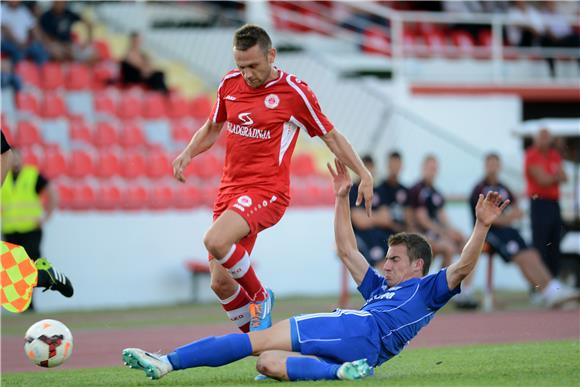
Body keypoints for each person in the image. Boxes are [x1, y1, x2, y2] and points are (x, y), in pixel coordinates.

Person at [121, 159, 510, 382]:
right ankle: (341, 374)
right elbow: (346, 248)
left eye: (394, 260)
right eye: (387, 258)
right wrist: (341, 198)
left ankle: (166, 362)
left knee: (258, 340)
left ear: (418, 266)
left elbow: (461, 268)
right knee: (268, 364)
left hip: (357, 328)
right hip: (363, 349)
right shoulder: (381, 291)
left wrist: (481, 225)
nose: (385, 265)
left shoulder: (427, 290)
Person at [171, 24, 374, 332]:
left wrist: (364, 172)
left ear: (271, 55)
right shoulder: (229, 84)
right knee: (221, 283)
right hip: (230, 191)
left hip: (268, 191)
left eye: (253, 65)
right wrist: (187, 153)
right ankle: (265, 349)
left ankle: (260, 296)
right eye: (241, 66)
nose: (247, 73)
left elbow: (331, 136)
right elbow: (213, 127)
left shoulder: (294, 93)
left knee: (215, 239)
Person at [470, 153, 579, 307]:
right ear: (485, 166)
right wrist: (505, 218)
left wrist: (506, 218)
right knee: (522, 257)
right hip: (490, 233)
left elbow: (518, 211)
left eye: (495, 164)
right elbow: (486, 218)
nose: (493, 167)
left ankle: (552, 289)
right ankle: (546, 293)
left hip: (508, 231)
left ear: (499, 166)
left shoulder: (503, 187)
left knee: (532, 254)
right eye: (490, 164)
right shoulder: (479, 189)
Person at [0, 131, 74, 312]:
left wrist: (45, 218)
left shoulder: (32, 175)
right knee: (9, 274)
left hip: (31, 228)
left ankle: (40, 280)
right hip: (10, 228)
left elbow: (4, 153)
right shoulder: (9, 180)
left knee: (15, 271)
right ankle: (42, 278)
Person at [409, 154, 478, 309]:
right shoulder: (416, 190)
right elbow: (422, 220)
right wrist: (445, 233)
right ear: (423, 168)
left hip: (436, 234)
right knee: (447, 248)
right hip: (420, 236)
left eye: (434, 168)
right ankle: (440, 292)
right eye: (429, 167)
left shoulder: (436, 193)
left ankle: (465, 292)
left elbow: (443, 217)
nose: (432, 171)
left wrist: (454, 231)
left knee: (469, 245)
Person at [525, 128, 567, 278]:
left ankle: (553, 281)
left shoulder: (554, 155)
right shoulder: (531, 155)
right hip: (539, 203)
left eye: (546, 137)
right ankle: (540, 283)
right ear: (536, 139)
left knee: (554, 243)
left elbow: (564, 177)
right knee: (540, 244)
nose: (544, 140)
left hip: (554, 203)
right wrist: (555, 176)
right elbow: (542, 180)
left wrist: (551, 176)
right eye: (541, 137)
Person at [349, 155, 390, 268]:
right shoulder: (352, 190)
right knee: (381, 264)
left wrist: (368, 218)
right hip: (360, 237)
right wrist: (377, 218)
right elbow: (359, 221)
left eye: (370, 167)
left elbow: (386, 219)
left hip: (380, 234)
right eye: (364, 167)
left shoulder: (379, 190)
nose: (367, 170)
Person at [0, 0, 49, 65]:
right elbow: (5, 30)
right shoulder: (1, 9)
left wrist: (43, 44)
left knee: (40, 50)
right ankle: (19, 73)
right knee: (18, 52)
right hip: (6, 43)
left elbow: (34, 29)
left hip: (24, 43)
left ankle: (40, 73)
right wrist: (19, 43)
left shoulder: (24, 10)